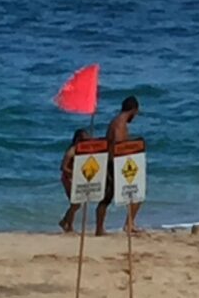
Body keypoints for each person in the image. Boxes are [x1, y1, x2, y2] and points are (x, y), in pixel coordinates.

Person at [96, 95, 143, 237]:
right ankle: (128, 224)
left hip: (113, 163)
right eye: (135, 113)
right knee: (136, 193)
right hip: (115, 164)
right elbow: (118, 145)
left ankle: (101, 228)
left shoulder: (116, 121)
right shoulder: (120, 124)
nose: (135, 116)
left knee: (107, 198)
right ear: (133, 110)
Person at [58, 127, 90, 234]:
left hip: (76, 178)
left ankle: (67, 223)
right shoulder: (72, 151)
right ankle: (67, 223)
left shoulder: (82, 150)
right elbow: (63, 167)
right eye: (83, 140)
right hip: (68, 178)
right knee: (76, 203)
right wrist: (74, 173)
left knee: (75, 203)